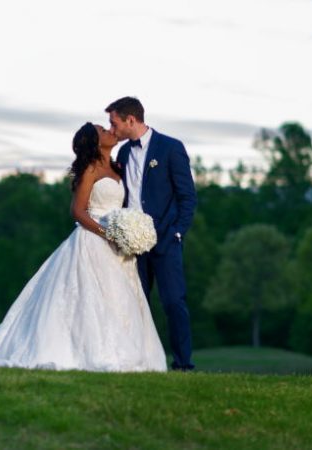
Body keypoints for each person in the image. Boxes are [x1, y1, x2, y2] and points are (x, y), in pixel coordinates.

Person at [0, 122, 166, 372]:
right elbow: (77, 211)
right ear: (95, 143)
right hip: (93, 241)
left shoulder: (118, 168)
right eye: (102, 130)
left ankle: (128, 349)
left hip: (118, 248)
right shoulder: (90, 170)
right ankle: (91, 351)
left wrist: (128, 231)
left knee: (119, 299)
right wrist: (106, 233)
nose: (109, 131)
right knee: (92, 298)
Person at [107, 96, 197, 371]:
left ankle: (183, 364)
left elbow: (187, 196)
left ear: (130, 120)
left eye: (114, 123)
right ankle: (139, 362)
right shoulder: (122, 154)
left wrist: (178, 233)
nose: (112, 129)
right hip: (131, 245)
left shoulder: (171, 148)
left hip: (166, 240)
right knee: (136, 305)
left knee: (173, 303)